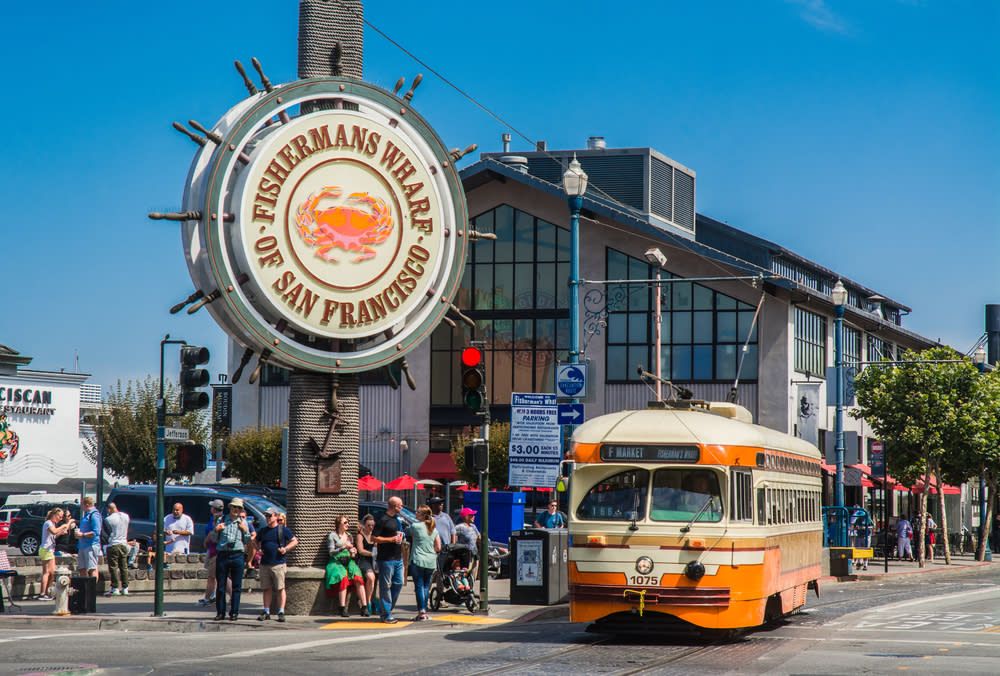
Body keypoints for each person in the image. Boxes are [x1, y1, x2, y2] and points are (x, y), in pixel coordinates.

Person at [256, 508, 297, 622]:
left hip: (278, 563)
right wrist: (258, 549)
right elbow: (254, 541)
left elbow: (294, 541)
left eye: (270, 516)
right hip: (265, 564)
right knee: (266, 588)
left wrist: (286, 549)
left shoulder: (282, 530)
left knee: (280, 588)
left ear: (275, 516)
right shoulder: (263, 531)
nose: (268, 518)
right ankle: (266, 611)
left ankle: (281, 611)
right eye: (266, 516)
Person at [214, 498, 251, 621]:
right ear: (230, 508)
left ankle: (234, 612)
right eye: (234, 507)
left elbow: (247, 540)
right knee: (221, 586)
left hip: (237, 554)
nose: (236, 510)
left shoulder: (243, 522)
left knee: (236, 586)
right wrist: (216, 530)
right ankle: (220, 612)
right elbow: (214, 539)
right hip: (223, 554)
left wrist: (245, 531)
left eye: (238, 508)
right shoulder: (221, 520)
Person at [325, 515, 368, 617]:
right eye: (345, 522)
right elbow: (331, 552)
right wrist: (343, 547)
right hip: (336, 561)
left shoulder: (349, 535)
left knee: (358, 577)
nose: (347, 524)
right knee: (343, 577)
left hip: (349, 561)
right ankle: (342, 608)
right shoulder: (332, 535)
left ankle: (364, 607)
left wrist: (353, 552)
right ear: (339, 524)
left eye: (347, 522)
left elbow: (352, 553)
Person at [372, 496, 405, 624]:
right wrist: (390, 540)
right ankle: (386, 614)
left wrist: (402, 538)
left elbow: (398, 534)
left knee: (399, 583)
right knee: (385, 586)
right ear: (394, 506)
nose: (401, 507)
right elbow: (374, 538)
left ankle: (386, 609)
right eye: (400, 505)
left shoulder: (397, 519)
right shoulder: (383, 520)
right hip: (386, 558)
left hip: (398, 557)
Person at [408, 506, 441, 621]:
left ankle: (421, 611)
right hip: (431, 561)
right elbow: (438, 547)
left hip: (418, 559)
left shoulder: (415, 526)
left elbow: (408, 534)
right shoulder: (434, 529)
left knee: (419, 586)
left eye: (417, 512)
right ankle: (424, 611)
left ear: (422, 515)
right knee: (426, 586)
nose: (415, 513)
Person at [38, 507, 73, 601]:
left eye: (62, 517)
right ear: (54, 515)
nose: (60, 519)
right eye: (60, 516)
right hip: (45, 549)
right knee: (46, 572)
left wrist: (61, 532)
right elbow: (53, 531)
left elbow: (54, 535)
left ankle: (48, 591)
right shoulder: (48, 523)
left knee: (53, 573)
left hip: (50, 550)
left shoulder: (52, 524)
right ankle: (42, 593)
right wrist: (64, 526)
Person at [197, 499, 225, 607]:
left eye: (212, 507)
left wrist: (206, 540)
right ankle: (212, 596)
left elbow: (213, 533)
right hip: (212, 550)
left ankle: (207, 598)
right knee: (219, 577)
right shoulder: (214, 518)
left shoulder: (218, 519)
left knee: (212, 577)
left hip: (215, 551)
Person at [103, 502, 131, 596]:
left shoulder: (108, 519)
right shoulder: (126, 516)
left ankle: (115, 588)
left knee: (113, 567)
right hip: (124, 543)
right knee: (124, 567)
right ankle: (125, 587)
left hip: (113, 544)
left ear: (109, 509)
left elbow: (106, 533)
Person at [74, 496, 102, 580]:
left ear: (86, 504)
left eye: (82, 504)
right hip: (82, 545)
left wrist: (82, 535)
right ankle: (84, 589)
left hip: (91, 545)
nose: (81, 506)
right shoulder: (86, 515)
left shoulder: (94, 515)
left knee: (92, 568)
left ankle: (92, 590)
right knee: (82, 568)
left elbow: (96, 532)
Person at [355, 514, 378, 616]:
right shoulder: (360, 535)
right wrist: (372, 553)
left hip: (375, 560)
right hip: (364, 560)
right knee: (371, 577)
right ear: (364, 525)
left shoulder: (374, 535)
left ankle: (370, 601)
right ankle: (367, 603)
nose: (371, 527)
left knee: (377, 579)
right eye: (369, 525)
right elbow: (360, 550)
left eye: (373, 525)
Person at [455, 507, 481, 580]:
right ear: (466, 517)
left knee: (473, 576)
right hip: (465, 555)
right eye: (471, 515)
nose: (474, 517)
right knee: (464, 575)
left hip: (474, 555)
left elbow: (478, 537)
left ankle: (471, 588)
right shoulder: (459, 527)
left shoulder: (473, 526)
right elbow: (453, 537)